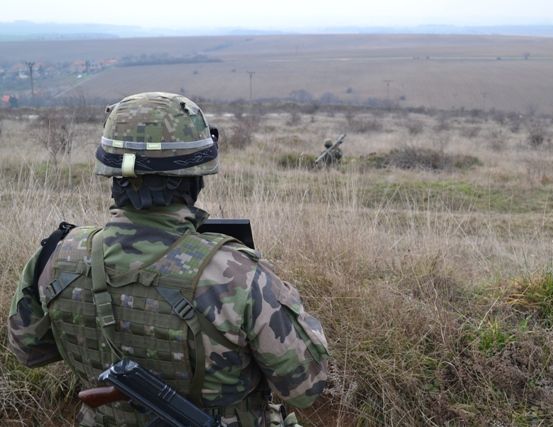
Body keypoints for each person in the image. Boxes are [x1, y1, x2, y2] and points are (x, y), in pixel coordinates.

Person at [7, 92, 329, 426]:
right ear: (195, 178)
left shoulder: (56, 255)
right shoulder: (239, 274)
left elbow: (28, 351)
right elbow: (306, 387)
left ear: (113, 174)